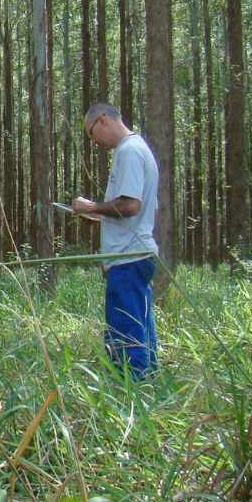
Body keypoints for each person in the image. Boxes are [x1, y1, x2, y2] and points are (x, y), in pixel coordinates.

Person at [71, 102, 159, 378]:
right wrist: (102, 216)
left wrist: (91, 207)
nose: (94, 141)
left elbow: (131, 205)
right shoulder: (137, 148)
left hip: (128, 260)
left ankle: (131, 394)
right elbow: (144, 209)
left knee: (125, 335)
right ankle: (148, 387)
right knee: (140, 329)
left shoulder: (129, 151)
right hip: (134, 257)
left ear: (102, 120)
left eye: (91, 133)